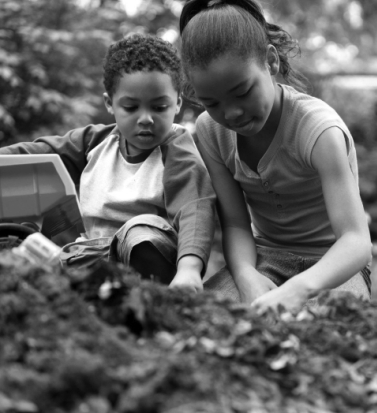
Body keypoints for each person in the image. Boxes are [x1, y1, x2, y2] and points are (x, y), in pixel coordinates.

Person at [178, 0, 372, 313]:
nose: (231, 113)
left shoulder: (318, 131)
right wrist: (245, 275)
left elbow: (355, 241)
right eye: (211, 103)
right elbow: (237, 225)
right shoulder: (210, 131)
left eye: (242, 92)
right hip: (263, 259)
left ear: (270, 61)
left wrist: (298, 290)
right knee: (200, 320)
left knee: (317, 337)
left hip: (333, 267)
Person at [0, 34, 216, 292]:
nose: (145, 118)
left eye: (159, 107)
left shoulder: (177, 152)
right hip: (90, 255)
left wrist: (189, 269)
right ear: (110, 104)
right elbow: (36, 152)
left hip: (147, 253)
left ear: (177, 103)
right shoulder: (96, 142)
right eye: (131, 107)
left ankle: (146, 297)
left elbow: (195, 210)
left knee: (139, 230)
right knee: (23, 246)